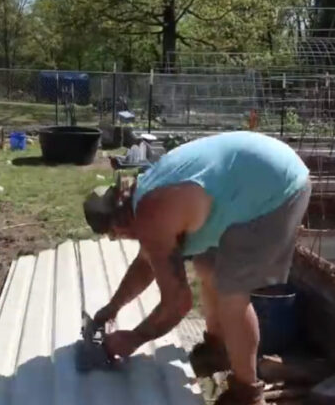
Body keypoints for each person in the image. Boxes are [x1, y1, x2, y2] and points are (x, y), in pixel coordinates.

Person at [82, 130, 311, 405]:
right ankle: (217, 349)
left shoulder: (153, 213)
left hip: (274, 192)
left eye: (117, 236)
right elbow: (147, 263)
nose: (126, 239)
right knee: (206, 266)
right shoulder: (142, 196)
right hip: (251, 177)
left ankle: (247, 392)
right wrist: (113, 307)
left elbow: (178, 303)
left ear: (118, 225)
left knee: (232, 296)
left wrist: (134, 338)